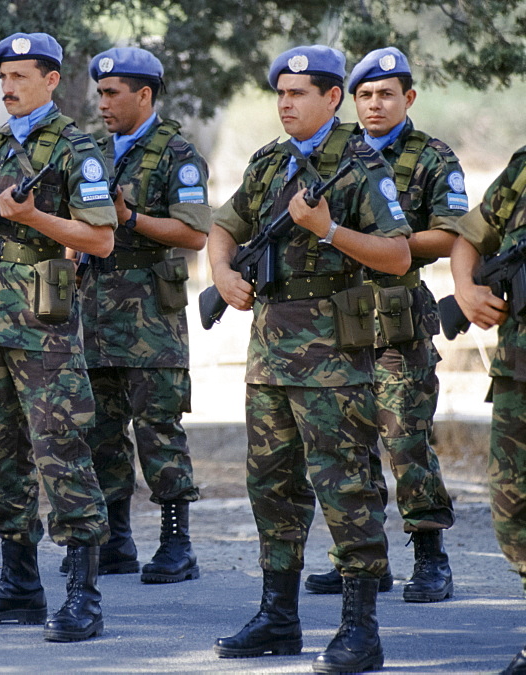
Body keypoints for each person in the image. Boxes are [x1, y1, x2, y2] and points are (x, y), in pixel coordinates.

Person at [208, 45, 412, 673]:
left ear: (331, 98)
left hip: (332, 357)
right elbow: (224, 224)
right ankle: (278, 616)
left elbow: (399, 256)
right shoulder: (270, 162)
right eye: (280, 93)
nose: (286, 103)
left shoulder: (361, 166)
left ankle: (360, 628)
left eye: (299, 93)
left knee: (344, 486)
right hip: (270, 353)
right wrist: (221, 274)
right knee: (272, 487)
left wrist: (328, 231)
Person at [0, 32, 114, 642]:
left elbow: (100, 239)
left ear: (51, 81)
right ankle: (19, 583)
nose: (8, 87)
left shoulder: (76, 149)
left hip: (46, 330)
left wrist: (34, 218)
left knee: (60, 453)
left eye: (20, 77)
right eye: (3, 77)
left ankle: (83, 593)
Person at [304, 47, 463, 604]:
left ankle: (430, 558)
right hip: (333, 321)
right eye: (364, 96)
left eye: (386, 94)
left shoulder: (431, 157)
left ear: (408, 98)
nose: (374, 104)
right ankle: (359, 559)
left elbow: (450, 234)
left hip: (397, 323)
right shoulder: (332, 152)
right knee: (344, 445)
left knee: (406, 442)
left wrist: (374, 246)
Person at [74, 46, 208, 583]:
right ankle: (117, 539)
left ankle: (177, 544)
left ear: (144, 95)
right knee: (101, 432)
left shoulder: (178, 154)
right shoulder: (92, 153)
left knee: (158, 430)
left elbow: (195, 232)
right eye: (99, 94)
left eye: (112, 94)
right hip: (94, 315)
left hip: (151, 320)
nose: (102, 103)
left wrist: (132, 218)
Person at [450, 145, 526, 675]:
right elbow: (470, 238)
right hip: (518, 375)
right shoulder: (523, 169)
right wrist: (466, 290)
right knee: (513, 509)